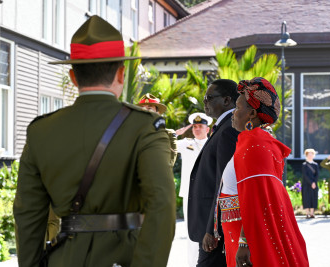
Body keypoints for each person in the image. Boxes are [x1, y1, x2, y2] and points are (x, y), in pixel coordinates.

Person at [13, 15, 175, 267]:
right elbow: (161, 205)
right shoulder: (145, 127)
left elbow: (28, 215)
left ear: (73, 77)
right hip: (124, 257)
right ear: (121, 74)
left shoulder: (40, 131)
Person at [216, 77, 308, 266]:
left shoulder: (255, 143)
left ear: (251, 114)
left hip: (250, 235)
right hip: (242, 229)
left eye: (238, 107)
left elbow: (256, 197)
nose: (233, 112)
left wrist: (244, 242)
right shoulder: (255, 141)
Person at [188, 79, 239, 267]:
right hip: (212, 225)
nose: (205, 103)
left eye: (209, 98)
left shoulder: (228, 130)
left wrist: (212, 229)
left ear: (227, 100)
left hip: (215, 230)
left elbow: (223, 182)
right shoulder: (223, 126)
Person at [175, 112, 212, 267]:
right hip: (189, 195)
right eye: (195, 126)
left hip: (209, 194)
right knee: (192, 232)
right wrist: (176, 134)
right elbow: (166, 144)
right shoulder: (186, 143)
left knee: (210, 232)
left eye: (200, 126)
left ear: (207, 129)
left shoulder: (212, 143)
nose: (197, 129)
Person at [136, 93, 177, 166]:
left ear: (157, 113)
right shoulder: (133, 133)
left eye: (149, 108)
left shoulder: (168, 134)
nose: (145, 111)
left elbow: (169, 163)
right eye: (142, 108)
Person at [302, 148, 319, 219]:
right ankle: (307, 213)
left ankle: (312, 213)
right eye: (309, 154)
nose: (310, 156)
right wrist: (311, 183)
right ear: (306, 155)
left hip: (314, 185)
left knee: (313, 198)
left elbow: (317, 175)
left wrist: (314, 183)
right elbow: (305, 175)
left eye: (312, 154)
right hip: (306, 184)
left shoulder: (316, 165)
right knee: (306, 198)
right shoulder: (304, 165)